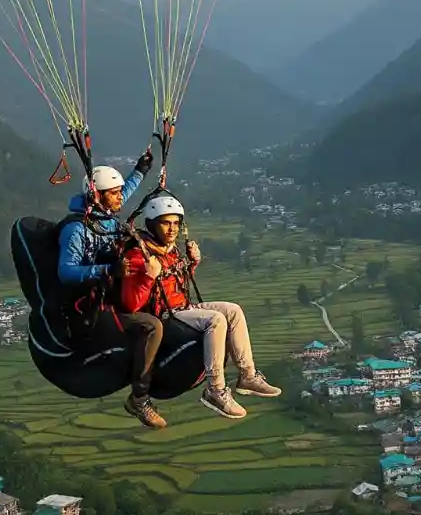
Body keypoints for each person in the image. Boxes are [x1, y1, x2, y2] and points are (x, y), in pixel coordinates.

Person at [120, 194, 281, 419]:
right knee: (216, 320)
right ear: (152, 224)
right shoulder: (139, 254)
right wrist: (148, 278)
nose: (172, 229)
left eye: (176, 223)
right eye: (166, 223)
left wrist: (192, 263)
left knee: (232, 310)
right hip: (165, 315)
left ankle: (248, 375)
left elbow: (175, 283)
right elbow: (130, 303)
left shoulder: (170, 249)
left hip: (183, 307)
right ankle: (215, 390)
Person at [56, 146, 165, 427]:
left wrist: (141, 170)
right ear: (97, 196)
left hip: (113, 298)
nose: (120, 197)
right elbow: (65, 272)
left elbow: (124, 191)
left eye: (118, 192)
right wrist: (108, 269)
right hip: (91, 311)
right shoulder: (77, 229)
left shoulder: (105, 215)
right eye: (114, 193)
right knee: (152, 325)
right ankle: (139, 399)